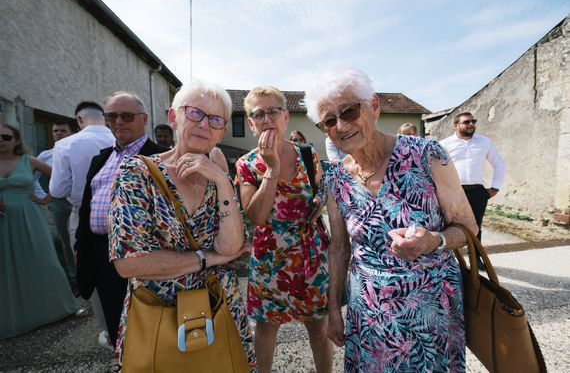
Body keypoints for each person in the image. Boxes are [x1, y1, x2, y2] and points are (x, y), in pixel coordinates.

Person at [304, 68, 478, 372]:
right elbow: (339, 249)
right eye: (329, 121)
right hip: (369, 313)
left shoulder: (427, 155)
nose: (341, 126)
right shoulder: (335, 179)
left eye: (349, 111)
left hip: (431, 309)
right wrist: (333, 309)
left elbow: (467, 226)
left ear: (373, 106)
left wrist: (434, 241)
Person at [108, 81, 255, 371]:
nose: (204, 125)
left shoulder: (216, 179)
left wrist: (224, 182)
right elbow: (130, 264)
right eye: (195, 113)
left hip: (219, 308)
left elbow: (231, 247)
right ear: (174, 117)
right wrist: (208, 259)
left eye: (215, 120)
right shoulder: (137, 173)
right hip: (158, 313)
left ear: (222, 131)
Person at [236, 86, 332, 373]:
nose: (267, 119)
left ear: (285, 116)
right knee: (266, 330)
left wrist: (320, 200)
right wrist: (272, 168)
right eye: (258, 114)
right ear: (251, 125)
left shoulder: (306, 153)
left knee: (318, 326)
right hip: (270, 259)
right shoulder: (246, 164)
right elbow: (257, 216)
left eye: (273, 111)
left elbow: (319, 191)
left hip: (311, 254)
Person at [74, 92, 168, 349]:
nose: (118, 122)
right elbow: (87, 208)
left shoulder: (162, 158)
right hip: (102, 254)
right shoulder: (101, 158)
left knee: (153, 329)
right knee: (118, 327)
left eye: (126, 116)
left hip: (145, 256)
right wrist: (80, 248)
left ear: (144, 119)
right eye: (112, 116)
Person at [0, 123, 83, 340]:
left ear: (16, 140)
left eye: (5, 137)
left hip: (29, 217)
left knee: (43, 259)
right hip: (3, 219)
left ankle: (59, 307)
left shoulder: (29, 161)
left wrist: (47, 196)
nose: (1, 140)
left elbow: (59, 178)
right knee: (6, 266)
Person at [49, 102, 115, 247]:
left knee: (85, 265)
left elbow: (58, 191)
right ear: (104, 119)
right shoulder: (119, 140)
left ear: (79, 119)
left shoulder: (65, 144)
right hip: (120, 213)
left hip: (83, 214)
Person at [440, 112, 505, 243]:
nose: (471, 124)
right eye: (466, 122)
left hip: (477, 192)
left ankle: (477, 261)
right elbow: (435, 169)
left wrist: (495, 188)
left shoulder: (484, 142)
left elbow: (499, 164)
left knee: (475, 227)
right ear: (456, 126)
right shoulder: (444, 144)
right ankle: (448, 261)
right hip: (453, 192)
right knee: (448, 226)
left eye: (473, 121)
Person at [31, 121, 77, 288]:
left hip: (78, 203)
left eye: (63, 130)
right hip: (59, 204)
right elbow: (32, 178)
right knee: (65, 242)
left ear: (71, 133)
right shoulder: (46, 155)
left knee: (80, 241)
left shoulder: (76, 152)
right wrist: (44, 197)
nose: (58, 133)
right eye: (55, 131)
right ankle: (73, 278)